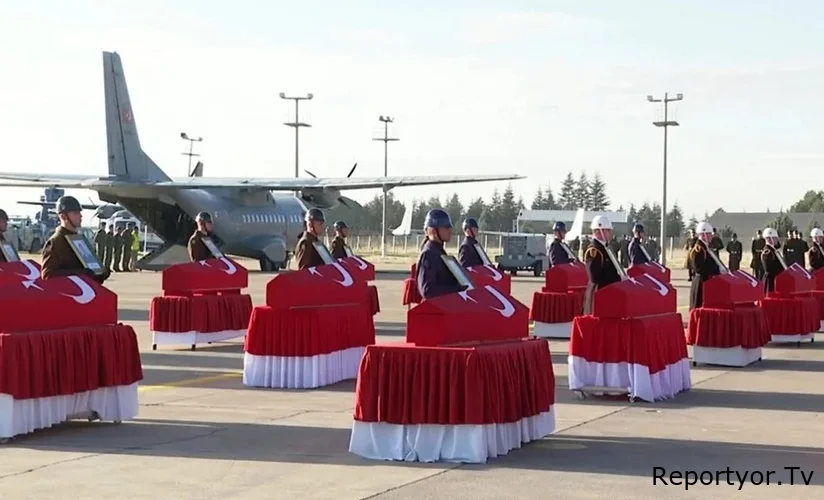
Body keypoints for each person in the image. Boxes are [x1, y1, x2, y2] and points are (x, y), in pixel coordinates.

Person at [41, 196, 110, 283]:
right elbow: (48, 275)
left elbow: (89, 269)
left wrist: (100, 273)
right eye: (75, 213)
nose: (80, 216)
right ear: (63, 217)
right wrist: (79, 273)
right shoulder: (55, 242)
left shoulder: (79, 240)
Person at [416, 208, 467, 300]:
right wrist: (457, 290)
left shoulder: (438, 251)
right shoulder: (428, 254)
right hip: (436, 311)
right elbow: (427, 291)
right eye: (446, 228)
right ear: (433, 231)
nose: (450, 231)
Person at [583, 215, 623, 314]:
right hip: (598, 294)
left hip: (608, 293)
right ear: (598, 231)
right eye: (608, 230)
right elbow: (594, 277)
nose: (610, 233)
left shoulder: (605, 248)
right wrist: (616, 279)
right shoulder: (594, 250)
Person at [688, 222, 723, 310]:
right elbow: (698, 269)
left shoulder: (706, 248)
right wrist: (716, 270)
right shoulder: (699, 249)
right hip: (701, 283)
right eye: (709, 234)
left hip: (707, 282)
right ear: (704, 235)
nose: (711, 236)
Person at [761, 227, 787, 294]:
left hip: (775, 280)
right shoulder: (768, 251)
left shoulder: (774, 250)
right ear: (768, 239)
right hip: (771, 281)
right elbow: (768, 269)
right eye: (774, 238)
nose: (776, 240)